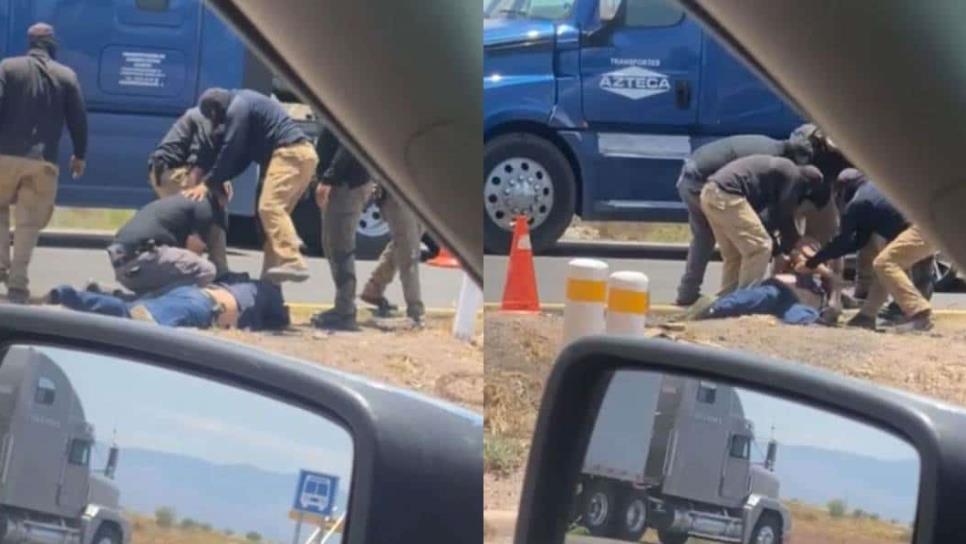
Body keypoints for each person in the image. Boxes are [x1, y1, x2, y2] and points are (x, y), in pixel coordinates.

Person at [185, 88, 318, 283]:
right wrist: (219, 180)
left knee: (269, 208)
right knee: (272, 226)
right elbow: (241, 159)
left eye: (217, 119)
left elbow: (231, 148)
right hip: (303, 156)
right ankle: (269, 288)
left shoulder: (238, 105)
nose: (220, 124)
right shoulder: (247, 105)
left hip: (289, 154)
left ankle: (294, 261)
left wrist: (207, 183)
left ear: (217, 109)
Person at [675, 131, 815, 306]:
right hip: (707, 183)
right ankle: (744, 301)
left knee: (709, 239)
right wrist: (779, 251)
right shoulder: (778, 163)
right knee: (758, 247)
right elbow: (758, 218)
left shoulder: (769, 148)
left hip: (690, 178)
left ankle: (693, 294)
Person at [0, 23, 87, 303]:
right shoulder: (66, 76)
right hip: (43, 163)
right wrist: (79, 155)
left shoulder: (8, 68)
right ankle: (17, 284)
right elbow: (78, 120)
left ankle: (1, 263)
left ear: (30, 43)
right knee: (28, 225)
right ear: (53, 45)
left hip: (4, 156)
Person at [800, 169, 935, 331]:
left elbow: (843, 242)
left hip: (923, 226)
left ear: (844, 189)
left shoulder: (858, 202)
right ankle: (867, 316)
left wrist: (812, 262)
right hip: (930, 223)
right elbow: (857, 242)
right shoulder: (876, 190)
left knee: (885, 263)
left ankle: (919, 313)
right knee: (885, 267)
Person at [699, 155, 826, 295]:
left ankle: (726, 300)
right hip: (728, 194)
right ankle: (745, 300)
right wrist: (792, 248)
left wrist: (781, 250)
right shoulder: (794, 178)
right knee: (760, 247)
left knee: (736, 254)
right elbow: (784, 217)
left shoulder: (778, 177)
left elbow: (764, 222)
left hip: (711, 192)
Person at [147, 107, 230, 275]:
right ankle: (200, 270)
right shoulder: (205, 118)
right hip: (171, 171)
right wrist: (201, 195)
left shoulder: (213, 119)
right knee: (204, 208)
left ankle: (213, 267)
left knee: (207, 209)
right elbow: (197, 163)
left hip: (170, 170)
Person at [46, 274, 288, 330]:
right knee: (140, 319)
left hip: (192, 293)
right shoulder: (270, 295)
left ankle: (68, 296)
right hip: (203, 306)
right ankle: (67, 296)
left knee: (135, 309)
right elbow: (279, 322)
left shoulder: (241, 281)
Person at [310, 125, 373, 331]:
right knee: (331, 246)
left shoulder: (348, 107)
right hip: (342, 184)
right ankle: (342, 307)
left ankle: (345, 311)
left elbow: (347, 145)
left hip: (345, 186)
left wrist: (329, 178)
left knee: (340, 248)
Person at [108, 190, 228, 295]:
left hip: (122, 265)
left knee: (173, 275)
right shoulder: (204, 205)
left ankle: (111, 294)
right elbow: (193, 252)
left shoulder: (178, 201)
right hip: (143, 260)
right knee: (206, 270)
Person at [359, 185, 426, 326]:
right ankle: (415, 311)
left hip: (420, 193)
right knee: (409, 252)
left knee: (405, 243)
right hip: (399, 193)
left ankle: (374, 287)